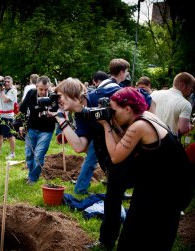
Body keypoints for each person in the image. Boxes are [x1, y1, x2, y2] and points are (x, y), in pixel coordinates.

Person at [52, 59, 142, 250]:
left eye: (60, 96)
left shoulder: (104, 95)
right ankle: (106, 242)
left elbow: (144, 101)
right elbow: (78, 146)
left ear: (72, 93)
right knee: (112, 200)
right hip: (111, 160)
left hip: (134, 154)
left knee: (139, 198)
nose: (58, 100)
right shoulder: (79, 115)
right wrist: (62, 121)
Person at [97, 87, 183, 250]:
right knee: (154, 235)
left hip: (161, 190)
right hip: (166, 185)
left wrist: (106, 125)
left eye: (113, 111)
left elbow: (115, 156)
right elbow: (122, 143)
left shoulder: (139, 126)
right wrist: (113, 122)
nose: (111, 114)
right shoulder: (147, 116)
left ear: (128, 109)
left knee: (136, 236)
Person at [18, 76, 56, 185]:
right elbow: (22, 108)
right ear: (36, 87)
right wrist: (21, 124)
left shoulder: (53, 97)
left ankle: (33, 178)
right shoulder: (31, 94)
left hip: (47, 130)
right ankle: (31, 174)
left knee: (39, 155)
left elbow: (59, 112)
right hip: (31, 128)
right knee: (29, 154)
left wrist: (52, 114)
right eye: (41, 89)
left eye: (46, 89)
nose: (43, 92)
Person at [151, 72, 195, 136]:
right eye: (191, 86)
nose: (192, 89)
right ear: (183, 85)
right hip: (168, 141)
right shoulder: (185, 104)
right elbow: (183, 129)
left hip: (149, 137)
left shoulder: (154, 94)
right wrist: (190, 126)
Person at [0, 75, 17, 159]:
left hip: (8, 116)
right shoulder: (2, 88)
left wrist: (1, 91)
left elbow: (5, 99)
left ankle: (12, 153)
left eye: (9, 82)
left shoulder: (13, 91)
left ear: (12, 83)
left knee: (10, 135)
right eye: (5, 81)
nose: (7, 83)